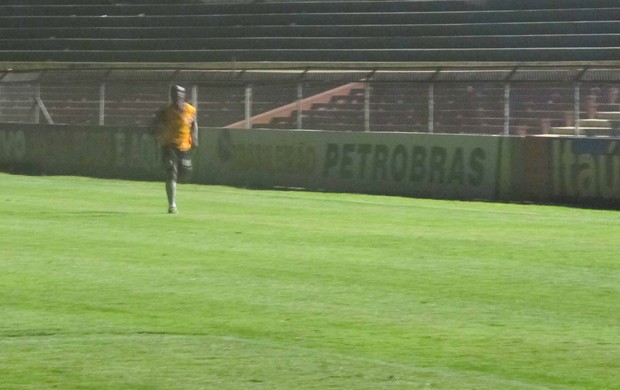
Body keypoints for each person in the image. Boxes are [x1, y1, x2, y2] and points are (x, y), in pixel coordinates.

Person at [151, 85, 198, 214]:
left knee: (185, 172)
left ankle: (178, 179)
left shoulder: (191, 110)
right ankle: (172, 205)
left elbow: (194, 124)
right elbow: (155, 123)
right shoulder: (165, 111)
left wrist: (195, 138)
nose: (177, 96)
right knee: (171, 171)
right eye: (175, 94)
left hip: (184, 146)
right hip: (169, 145)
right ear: (171, 95)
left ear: (184, 95)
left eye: (180, 94)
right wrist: (157, 135)